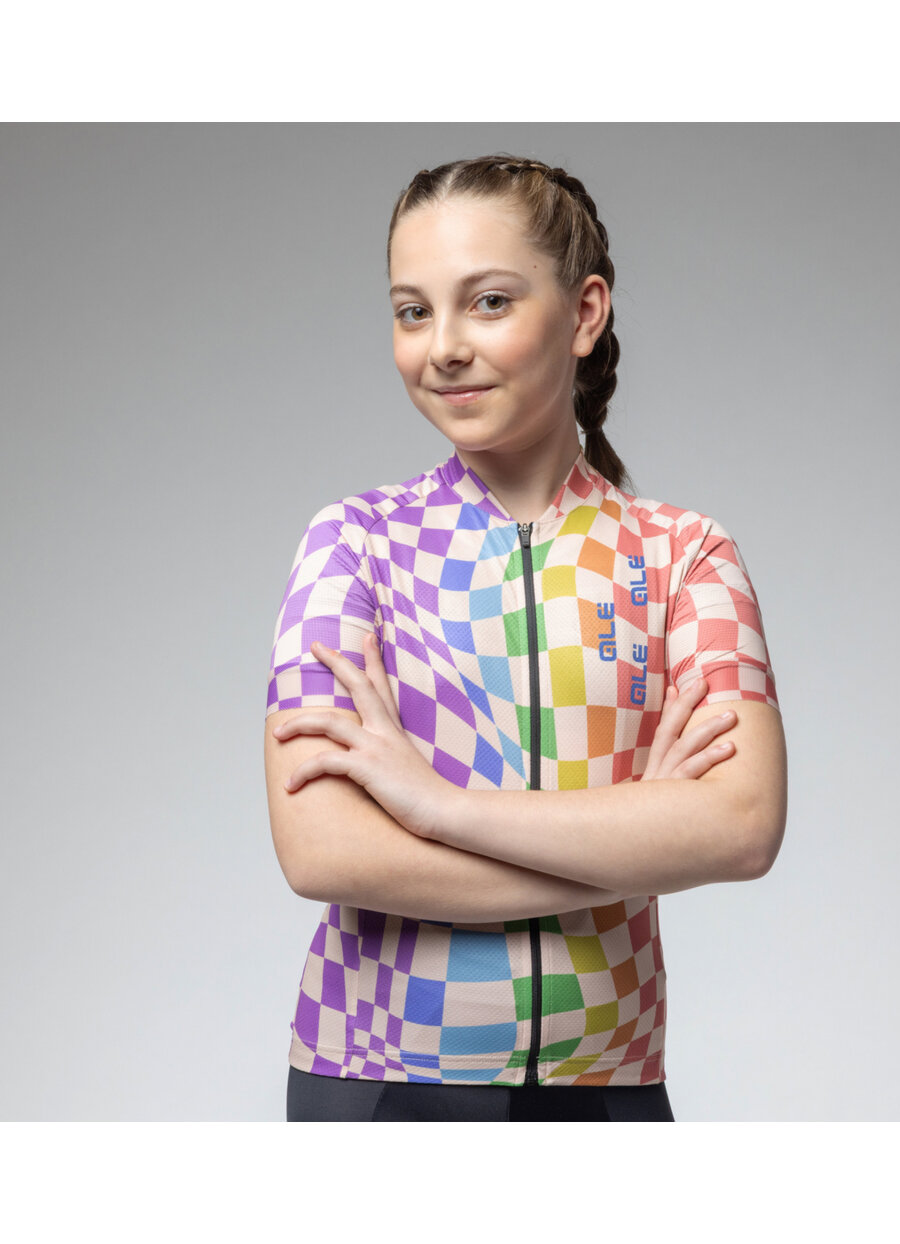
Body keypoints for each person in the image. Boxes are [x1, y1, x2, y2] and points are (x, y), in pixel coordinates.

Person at [264, 155, 787, 1122]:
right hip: (375, 1080)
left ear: (584, 314)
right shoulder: (353, 545)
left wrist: (433, 807)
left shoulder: (686, 557)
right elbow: (322, 851)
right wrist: (634, 834)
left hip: (610, 1083)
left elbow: (743, 826)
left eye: (490, 302)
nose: (443, 347)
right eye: (413, 311)